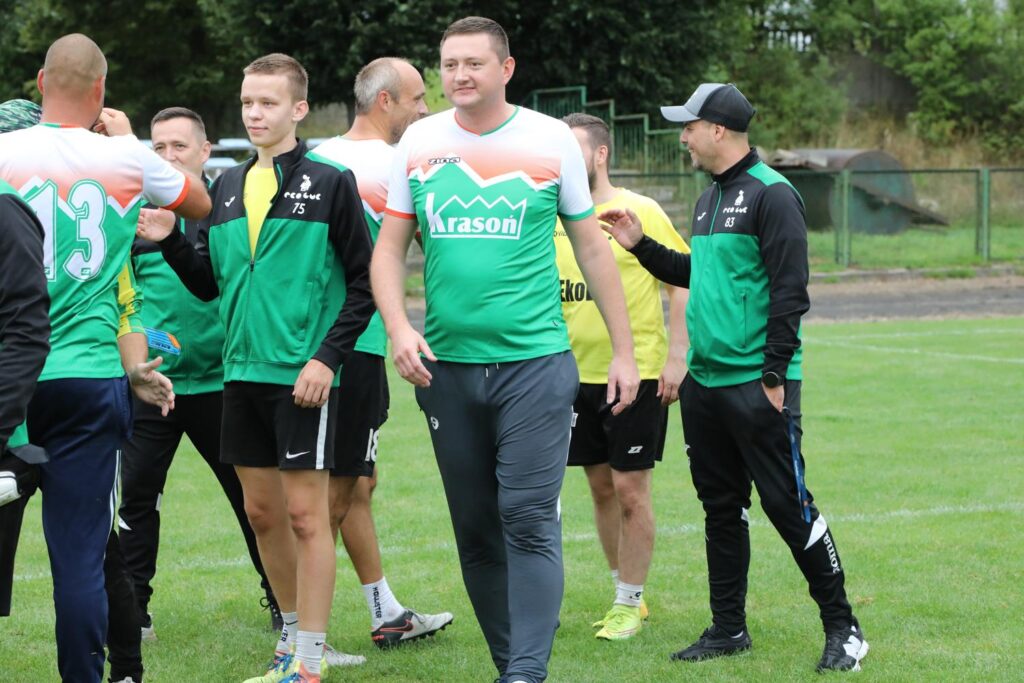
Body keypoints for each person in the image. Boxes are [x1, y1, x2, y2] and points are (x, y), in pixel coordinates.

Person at [371, 16, 640, 683]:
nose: (459, 76)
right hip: (447, 372)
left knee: (527, 517)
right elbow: (389, 250)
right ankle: (509, 665)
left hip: (535, 367)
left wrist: (624, 352)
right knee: (476, 529)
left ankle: (525, 673)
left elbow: (592, 249)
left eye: (474, 63)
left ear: (506, 69)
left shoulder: (551, 139)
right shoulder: (420, 141)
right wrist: (400, 328)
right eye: (449, 65)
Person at [599, 82, 869, 673]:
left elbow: (791, 289)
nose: (684, 137)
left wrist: (773, 375)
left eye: (690, 126)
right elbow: (700, 273)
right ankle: (728, 629)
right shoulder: (708, 199)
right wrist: (640, 246)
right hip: (706, 385)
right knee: (721, 508)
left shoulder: (774, 194)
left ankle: (844, 628)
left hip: (757, 383)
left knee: (788, 504)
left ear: (717, 129)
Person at [136, 53, 374, 683]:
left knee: (305, 517)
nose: (255, 113)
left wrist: (326, 358)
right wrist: (170, 240)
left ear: (299, 109)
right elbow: (211, 286)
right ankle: (289, 641)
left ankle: (311, 660)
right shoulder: (226, 188)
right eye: (247, 103)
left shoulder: (331, 181)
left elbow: (365, 282)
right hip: (238, 376)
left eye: (268, 103)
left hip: (302, 378)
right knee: (263, 514)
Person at [0, 33, 211, 683]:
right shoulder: (123, 158)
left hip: (10, 379)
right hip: (89, 378)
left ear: (41, 82)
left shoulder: (4, 152)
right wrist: (130, 148)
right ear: (101, 89)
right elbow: (198, 202)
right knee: (81, 560)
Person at [118, 106, 280, 643]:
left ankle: (284, 603)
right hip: (153, 386)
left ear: (206, 151)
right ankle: (134, 612)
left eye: (179, 147)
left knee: (254, 501)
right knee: (137, 499)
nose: (168, 157)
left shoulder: (228, 210)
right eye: (158, 148)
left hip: (221, 385)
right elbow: (125, 299)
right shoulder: (134, 214)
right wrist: (144, 355)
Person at [312, 57, 453, 648]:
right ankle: (302, 635)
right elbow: (436, 240)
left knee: (357, 484)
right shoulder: (396, 165)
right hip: (358, 344)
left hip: (320, 343)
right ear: (386, 101)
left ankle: (385, 612)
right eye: (418, 98)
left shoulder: (317, 158)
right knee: (334, 495)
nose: (426, 109)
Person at [555, 113, 689, 641]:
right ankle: (623, 592)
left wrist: (677, 354)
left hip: (636, 374)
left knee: (631, 490)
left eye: (574, 149)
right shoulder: (552, 216)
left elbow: (682, 280)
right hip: (571, 376)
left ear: (601, 153)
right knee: (600, 487)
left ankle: (629, 603)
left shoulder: (641, 211)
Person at [0, 99, 51, 620]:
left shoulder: (8, 207)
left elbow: (26, 329)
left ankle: (126, 651)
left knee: (89, 542)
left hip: (50, 394)